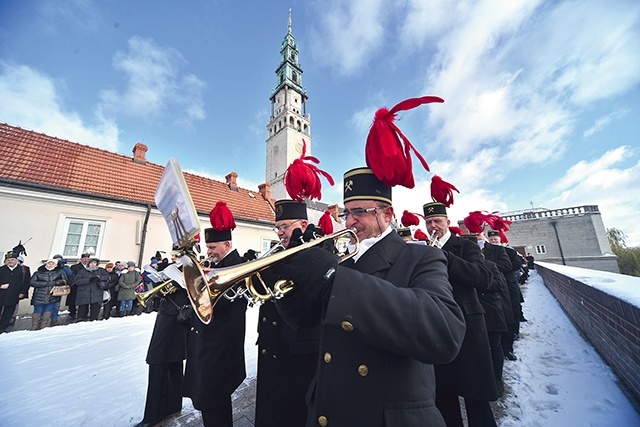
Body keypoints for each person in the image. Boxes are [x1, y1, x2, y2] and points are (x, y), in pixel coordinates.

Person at [274, 167, 466, 426]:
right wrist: (285, 281)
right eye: (346, 213)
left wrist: (334, 279)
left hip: (382, 415)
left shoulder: (421, 257)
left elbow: (445, 332)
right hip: (329, 408)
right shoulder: (344, 262)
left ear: (387, 214)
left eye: (359, 212)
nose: (349, 221)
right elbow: (304, 321)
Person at [422, 202, 498, 426]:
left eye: (437, 221)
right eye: (428, 222)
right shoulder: (425, 248)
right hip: (439, 324)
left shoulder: (466, 246)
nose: (433, 226)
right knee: (444, 396)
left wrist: (443, 256)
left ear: (447, 222)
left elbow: (483, 278)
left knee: (476, 396)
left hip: (468, 326)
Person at [253, 199, 322, 427]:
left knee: (292, 415)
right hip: (271, 346)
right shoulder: (276, 253)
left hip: (297, 353)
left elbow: (311, 303)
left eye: (285, 226)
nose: (280, 233)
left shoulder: (317, 250)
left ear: (303, 224)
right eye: (278, 227)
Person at [183, 201, 248, 427]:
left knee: (214, 399)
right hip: (207, 342)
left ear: (227, 244)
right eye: (207, 248)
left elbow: (233, 303)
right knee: (209, 400)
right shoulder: (215, 265)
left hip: (221, 346)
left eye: (212, 248)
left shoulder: (237, 265)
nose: (208, 252)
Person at [133, 254, 190, 427]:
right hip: (169, 315)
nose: (174, 256)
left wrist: (178, 285)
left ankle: (153, 416)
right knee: (172, 361)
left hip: (178, 317)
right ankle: (172, 407)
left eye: (178, 253)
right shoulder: (173, 267)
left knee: (158, 361)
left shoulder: (192, 268)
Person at [29, 259, 69, 330]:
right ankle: (35, 324)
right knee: (38, 310)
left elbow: (65, 280)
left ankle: (43, 324)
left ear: (55, 265)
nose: (50, 265)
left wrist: (55, 283)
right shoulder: (38, 273)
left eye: (52, 263)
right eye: (49, 263)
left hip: (52, 294)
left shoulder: (59, 272)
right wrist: (45, 284)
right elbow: (32, 282)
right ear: (45, 264)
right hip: (39, 294)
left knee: (48, 310)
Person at [0, 249, 30, 333]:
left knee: (8, 312)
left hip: (14, 294)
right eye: (8, 260)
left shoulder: (24, 270)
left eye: (12, 259)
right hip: (1, 294)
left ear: (17, 260)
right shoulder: (1, 269)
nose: (10, 261)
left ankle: (2, 328)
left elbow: (26, 282)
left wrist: (23, 293)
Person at [68, 252, 90, 321]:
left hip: (85, 286)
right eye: (84, 259)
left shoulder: (89, 267)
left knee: (85, 300)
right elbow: (72, 276)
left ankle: (84, 314)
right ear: (81, 259)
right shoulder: (75, 267)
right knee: (73, 300)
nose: (85, 260)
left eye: (87, 259)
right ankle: (72, 313)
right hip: (76, 286)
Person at [52, 254, 73, 326]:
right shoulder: (50, 266)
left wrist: (63, 265)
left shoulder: (64, 267)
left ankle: (54, 320)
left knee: (56, 305)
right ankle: (42, 319)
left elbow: (70, 273)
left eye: (60, 259)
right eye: (57, 260)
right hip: (48, 288)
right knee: (46, 305)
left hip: (59, 288)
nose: (58, 261)